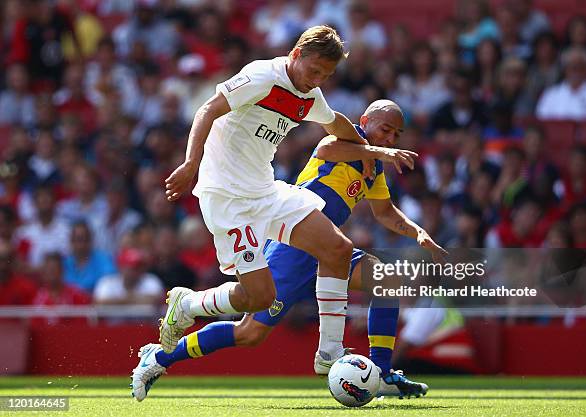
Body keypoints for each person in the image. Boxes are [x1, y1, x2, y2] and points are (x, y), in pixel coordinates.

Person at [132, 100, 447, 401]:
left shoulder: (374, 168)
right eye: (385, 129)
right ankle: (160, 355)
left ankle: (381, 374)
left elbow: (385, 212)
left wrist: (419, 233)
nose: (390, 138)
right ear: (365, 122)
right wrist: (378, 150)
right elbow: (326, 148)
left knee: (385, 280)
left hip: (328, 250)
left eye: (396, 135)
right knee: (249, 333)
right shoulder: (347, 138)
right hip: (293, 246)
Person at [157, 25, 374, 379]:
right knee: (258, 297)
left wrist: (366, 151)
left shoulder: (309, 95)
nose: (317, 80)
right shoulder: (263, 76)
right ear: (296, 55)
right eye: (314, 70)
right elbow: (207, 110)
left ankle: (330, 354)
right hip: (227, 198)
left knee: (337, 249)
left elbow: (337, 124)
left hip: (265, 191)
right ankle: (189, 303)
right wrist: (191, 164)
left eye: (327, 75)